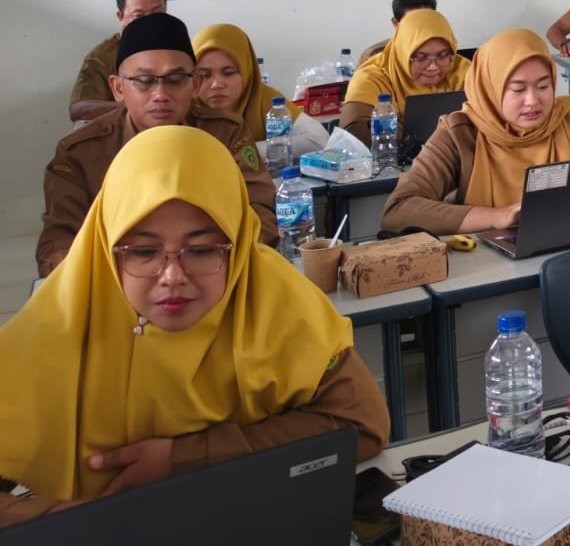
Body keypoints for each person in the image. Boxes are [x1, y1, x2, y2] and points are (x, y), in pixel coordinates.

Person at [0, 127, 388, 525]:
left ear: (237, 245)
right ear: (107, 247)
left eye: (202, 250)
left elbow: (363, 424)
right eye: (143, 251)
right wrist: (63, 521)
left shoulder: (277, 303)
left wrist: (188, 458)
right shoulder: (59, 326)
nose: (172, 276)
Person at [39, 13, 277, 277]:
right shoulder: (81, 153)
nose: (161, 95)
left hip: (216, 274)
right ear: (118, 88)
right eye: (145, 82)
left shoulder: (225, 133)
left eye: (175, 80)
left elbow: (260, 210)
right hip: (117, 282)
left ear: (195, 84)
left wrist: (223, 264)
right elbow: (59, 240)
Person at [381, 29, 570, 235]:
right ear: (490, 89)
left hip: (564, 244)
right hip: (482, 261)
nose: (532, 100)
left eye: (543, 86)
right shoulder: (458, 134)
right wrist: (498, 217)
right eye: (518, 89)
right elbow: (399, 210)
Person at [341, 9, 470, 146]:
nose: (432, 67)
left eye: (443, 56)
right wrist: (396, 132)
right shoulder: (372, 75)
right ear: (403, 52)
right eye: (420, 57)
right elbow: (352, 132)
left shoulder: (463, 69)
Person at [68, 0, 168, 122]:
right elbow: (79, 109)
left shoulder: (178, 48)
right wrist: (140, 106)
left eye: (157, 14)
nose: (149, 23)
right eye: (138, 16)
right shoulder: (102, 57)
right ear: (121, 17)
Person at [193, 23, 302, 142]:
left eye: (228, 73)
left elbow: (314, 138)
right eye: (204, 75)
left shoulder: (265, 101)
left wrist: (248, 150)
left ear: (247, 72)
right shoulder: (183, 110)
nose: (216, 85)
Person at [359, 0, 438, 63]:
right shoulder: (374, 57)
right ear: (396, 23)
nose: (422, 27)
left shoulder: (444, 51)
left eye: (427, 20)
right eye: (413, 22)